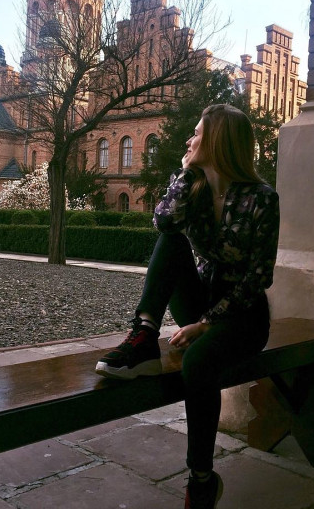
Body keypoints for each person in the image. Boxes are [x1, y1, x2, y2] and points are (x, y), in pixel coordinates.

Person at [95, 104, 280, 509]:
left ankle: (201, 479)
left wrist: (207, 324)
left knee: (197, 362)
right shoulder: (192, 189)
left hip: (243, 316)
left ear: (217, 140)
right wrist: (185, 175)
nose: (189, 139)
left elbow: (257, 279)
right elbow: (163, 223)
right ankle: (144, 335)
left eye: (197, 133)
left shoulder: (262, 199)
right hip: (200, 301)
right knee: (172, 239)